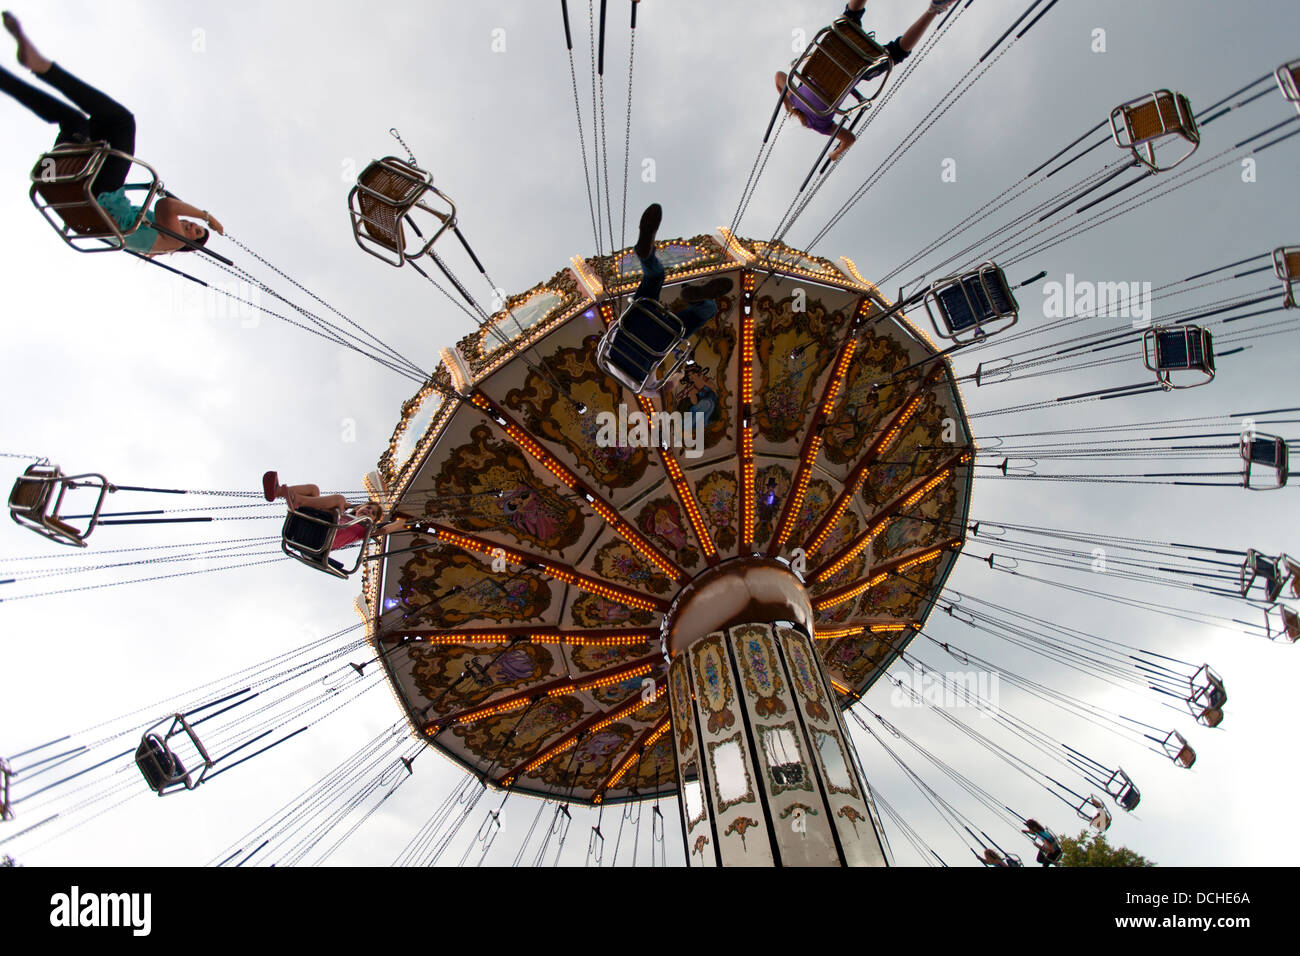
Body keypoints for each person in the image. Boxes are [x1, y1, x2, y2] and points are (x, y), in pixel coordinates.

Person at [2, 11, 222, 255]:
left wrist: (205, 216)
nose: (192, 226)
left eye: (196, 232)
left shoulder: (173, 241)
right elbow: (163, 209)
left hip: (98, 193)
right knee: (74, 121)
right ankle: (8, 79)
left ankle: (44, 69)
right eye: (197, 226)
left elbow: (167, 205)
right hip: (76, 185)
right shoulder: (151, 227)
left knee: (121, 122)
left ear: (188, 244)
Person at [775, 0, 959, 161]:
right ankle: (933, 9)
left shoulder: (821, 126)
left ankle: (933, 10)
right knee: (850, 16)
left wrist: (837, 153)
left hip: (858, 65)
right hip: (834, 45)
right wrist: (786, 101)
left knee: (896, 54)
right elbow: (779, 76)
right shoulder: (795, 97)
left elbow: (849, 139)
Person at [605, 203, 731, 385]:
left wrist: (678, 376)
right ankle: (646, 256)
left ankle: (700, 301)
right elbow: (610, 324)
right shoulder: (610, 359)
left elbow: (664, 388)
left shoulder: (641, 383)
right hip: (635, 328)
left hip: (654, 344)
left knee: (707, 312)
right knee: (654, 278)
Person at [262, 471, 410, 549]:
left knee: (339, 499)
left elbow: (383, 530)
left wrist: (403, 521)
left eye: (372, 514)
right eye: (368, 508)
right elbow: (339, 508)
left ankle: (298, 501)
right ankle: (279, 492)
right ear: (359, 507)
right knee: (314, 489)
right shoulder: (344, 516)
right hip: (318, 526)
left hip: (322, 538)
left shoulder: (364, 528)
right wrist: (344, 506)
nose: (369, 512)